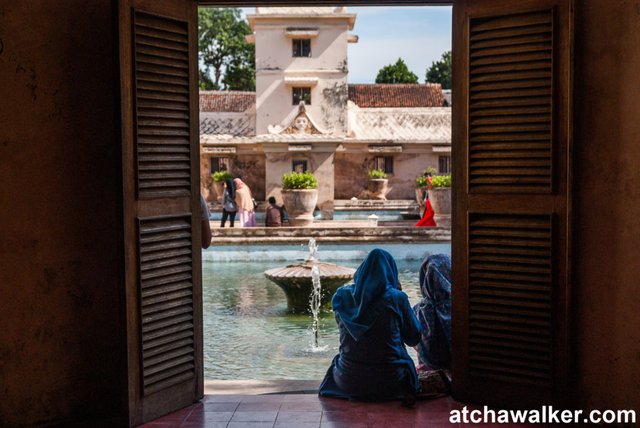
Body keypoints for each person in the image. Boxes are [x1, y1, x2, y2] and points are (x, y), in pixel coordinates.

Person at [319, 249, 422, 403]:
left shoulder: (341, 295)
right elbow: (414, 338)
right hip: (391, 380)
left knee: (339, 359)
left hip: (347, 379)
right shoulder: (396, 298)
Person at [412, 254, 452, 394]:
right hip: (459, 376)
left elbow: (411, 340)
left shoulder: (417, 310)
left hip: (428, 376)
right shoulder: (462, 308)